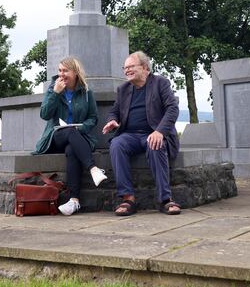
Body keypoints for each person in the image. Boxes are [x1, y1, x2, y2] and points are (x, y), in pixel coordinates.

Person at [102, 51, 181, 216]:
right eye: (125, 68)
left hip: (153, 133)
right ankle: (128, 199)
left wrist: (160, 131)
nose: (127, 71)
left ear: (145, 68)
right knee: (116, 144)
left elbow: (172, 108)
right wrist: (112, 120)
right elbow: (114, 111)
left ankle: (165, 199)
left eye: (131, 67)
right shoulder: (123, 89)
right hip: (130, 135)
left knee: (155, 144)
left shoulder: (160, 83)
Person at [33, 56, 108, 215]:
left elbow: (93, 118)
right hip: (55, 137)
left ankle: (74, 201)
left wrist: (81, 128)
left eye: (65, 71)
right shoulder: (53, 88)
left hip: (77, 137)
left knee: (72, 151)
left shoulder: (86, 92)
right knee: (68, 132)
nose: (61, 74)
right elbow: (45, 114)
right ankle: (94, 169)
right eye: (60, 70)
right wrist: (55, 94)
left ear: (75, 72)